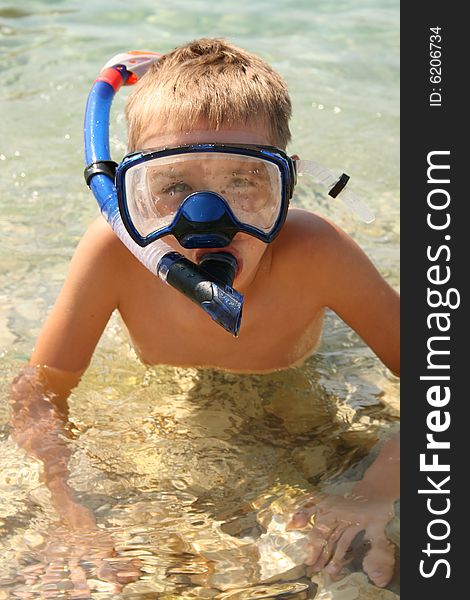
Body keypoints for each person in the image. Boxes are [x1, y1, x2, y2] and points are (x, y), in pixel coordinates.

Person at [9, 38, 400, 590]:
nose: (209, 219)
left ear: (284, 186)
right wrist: (68, 514)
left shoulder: (315, 252)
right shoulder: (114, 252)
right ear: (130, 196)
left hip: (296, 389)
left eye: (244, 182)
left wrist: (374, 492)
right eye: (172, 186)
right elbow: (38, 393)